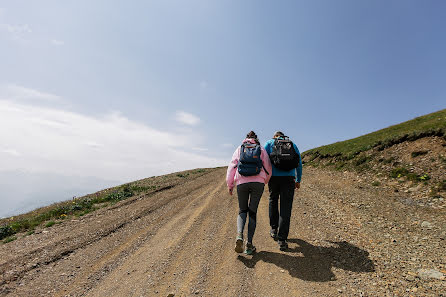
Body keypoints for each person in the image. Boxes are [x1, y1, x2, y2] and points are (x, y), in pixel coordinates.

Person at [226, 131, 272, 255]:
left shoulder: (239, 149)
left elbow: (232, 166)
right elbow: (268, 167)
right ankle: (249, 245)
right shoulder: (261, 149)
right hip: (258, 183)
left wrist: (230, 185)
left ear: (246, 138)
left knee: (242, 210)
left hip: (241, 182)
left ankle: (239, 236)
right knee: (252, 212)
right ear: (256, 139)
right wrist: (264, 181)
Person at [264, 131, 302, 251]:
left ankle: (274, 229)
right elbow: (299, 163)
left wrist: (264, 177)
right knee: (286, 207)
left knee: (273, 200)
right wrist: (298, 179)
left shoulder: (269, 143)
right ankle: (282, 240)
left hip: (273, 178)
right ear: (283, 136)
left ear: (274, 136)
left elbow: (262, 160)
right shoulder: (292, 144)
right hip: (289, 179)